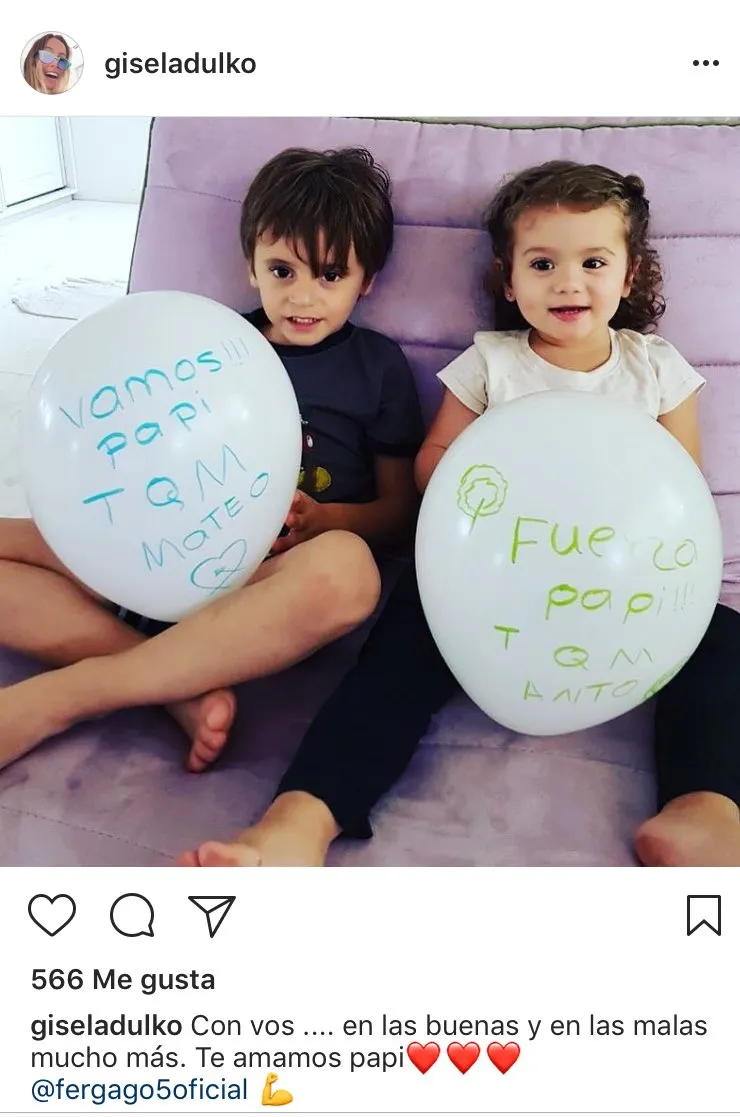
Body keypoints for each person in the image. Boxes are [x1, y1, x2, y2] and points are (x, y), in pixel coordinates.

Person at [180, 158, 740, 868]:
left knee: (723, 639)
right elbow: (433, 463)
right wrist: (496, 478)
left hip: (622, 588)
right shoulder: (492, 363)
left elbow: (680, 485)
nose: (568, 282)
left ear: (629, 277)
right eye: (542, 263)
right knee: (403, 644)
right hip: (490, 581)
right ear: (508, 280)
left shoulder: (654, 367)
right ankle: (303, 816)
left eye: (594, 262)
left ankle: (706, 808)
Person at [0, 146, 424, 784]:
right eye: (281, 270)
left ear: (366, 280)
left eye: (330, 274)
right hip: (149, 557)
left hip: (267, 587)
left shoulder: (377, 367)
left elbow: (400, 512)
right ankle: (174, 688)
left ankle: (75, 695)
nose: (302, 295)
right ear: (251, 266)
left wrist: (327, 520)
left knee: (350, 573)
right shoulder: (209, 344)